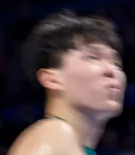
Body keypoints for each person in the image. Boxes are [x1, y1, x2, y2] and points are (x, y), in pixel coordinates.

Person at [9, 11, 126, 155]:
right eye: (93, 57)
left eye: (116, 63)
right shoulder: (55, 135)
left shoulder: (73, 145)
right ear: (52, 79)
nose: (112, 70)